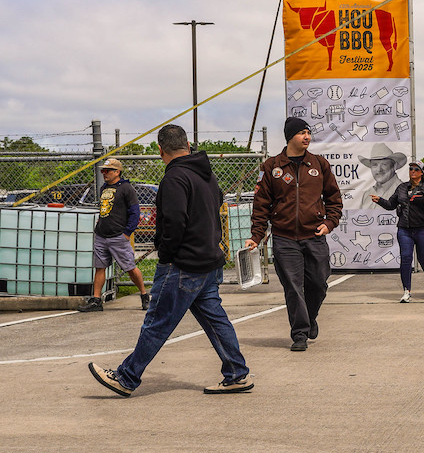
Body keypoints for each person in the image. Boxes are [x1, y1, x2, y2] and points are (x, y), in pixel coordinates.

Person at [88, 125, 251, 396]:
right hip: (209, 262)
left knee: (157, 321)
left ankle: (126, 378)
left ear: (161, 150)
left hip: (183, 264)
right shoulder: (207, 176)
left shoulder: (175, 178)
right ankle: (237, 373)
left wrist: (166, 254)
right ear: (187, 144)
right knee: (215, 320)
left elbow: (175, 222)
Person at [247, 116, 343, 352]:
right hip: (284, 237)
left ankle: (309, 318)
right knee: (293, 286)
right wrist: (256, 236)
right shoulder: (272, 167)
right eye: (302, 133)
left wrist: (330, 223)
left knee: (319, 283)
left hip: (314, 235)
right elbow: (261, 205)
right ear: (290, 136)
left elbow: (334, 199)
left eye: (308, 132)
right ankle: (299, 333)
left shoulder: (319, 165)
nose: (307, 136)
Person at [77, 158, 150, 312]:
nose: (104, 173)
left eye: (108, 170)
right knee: (100, 267)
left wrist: (127, 233)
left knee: (130, 267)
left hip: (118, 236)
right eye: (103, 170)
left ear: (117, 172)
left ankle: (144, 295)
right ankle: (97, 300)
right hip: (102, 235)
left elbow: (135, 212)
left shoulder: (126, 188)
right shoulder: (104, 187)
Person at [371, 162, 424, 302]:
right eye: (410, 169)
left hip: (423, 230)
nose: (412, 171)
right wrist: (380, 200)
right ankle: (407, 291)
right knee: (405, 258)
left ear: (422, 173)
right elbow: (391, 205)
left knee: (423, 259)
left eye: (416, 169)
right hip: (404, 229)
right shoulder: (402, 188)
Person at [358, 143, 408, 208]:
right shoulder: (367, 194)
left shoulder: (403, 190)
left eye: (384, 164)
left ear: (394, 166)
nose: (379, 169)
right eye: (375, 165)